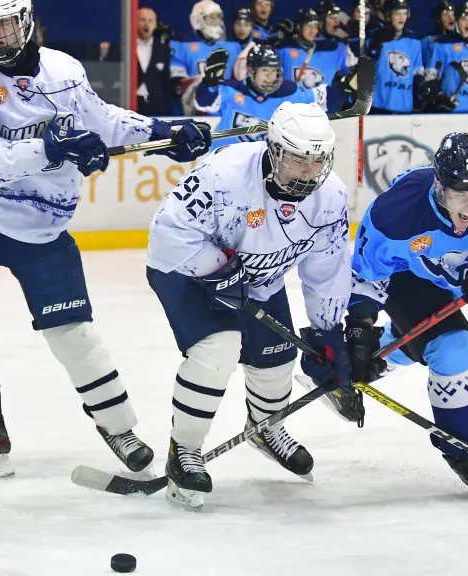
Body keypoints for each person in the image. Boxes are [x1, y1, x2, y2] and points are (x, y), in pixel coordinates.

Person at [0, 0, 213, 481]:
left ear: (26, 21)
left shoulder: (65, 71)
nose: (0, 38)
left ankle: (119, 428)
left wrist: (165, 131)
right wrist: (53, 146)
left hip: (42, 227)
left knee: (74, 335)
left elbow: (104, 122)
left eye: (7, 25)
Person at [145, 102, 354, 510]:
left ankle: (266, 427)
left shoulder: (330, 197)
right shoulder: (224, 175)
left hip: (256, 279)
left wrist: (328, 333)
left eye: (316, 162)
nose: (307, 172)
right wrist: (218, 269)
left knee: (277, 357)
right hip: (186, 270)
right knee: (216, 351)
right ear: (274, 150)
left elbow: (326, 270)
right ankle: (184, 451)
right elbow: (168, 232)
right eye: (296, 160)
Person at [342, 132, 468, 499]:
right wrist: (359, 328)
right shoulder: (396, 214)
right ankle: (461, 450)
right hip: (407, 275)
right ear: (439, 187)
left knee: (425, 335)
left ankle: (377, 361)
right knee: (450, 346)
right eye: (458, 196)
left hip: (449, 279)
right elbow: (367, 276)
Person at [195, 43, 347, 151]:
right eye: (265, 71)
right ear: (252, 71)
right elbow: (203, 103)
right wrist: (208, 84)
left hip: (258, 168)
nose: (270, 77)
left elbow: (323, 99)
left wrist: (346, 88)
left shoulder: (289, 93)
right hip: (223, 162)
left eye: (274, 71)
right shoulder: (231, 90)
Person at [169, 0, 243, 114]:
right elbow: (177, 84)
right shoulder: (182, 46)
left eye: (218, 17)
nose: (216, 21)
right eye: (211, 17)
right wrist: (201, 82)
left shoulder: (233, 47)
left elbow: (240, 80)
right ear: (197, 20)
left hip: (226, 107)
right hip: (196, 108)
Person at [367, 0, 424, 113]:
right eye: (398, 13)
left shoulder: (414, 42)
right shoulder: (378, 37)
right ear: (389, 15)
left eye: (404, 13)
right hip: (379, 104)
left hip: (405, 106)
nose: (401, 17)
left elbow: (417, 73)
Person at [136, 7, 174, 116]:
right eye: (142, 20)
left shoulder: (163, 49)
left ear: (156, 25)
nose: (146, 24)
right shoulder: (125, 48)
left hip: (157, 108)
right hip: (131, 106)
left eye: (150, 20)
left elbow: (166, 82)